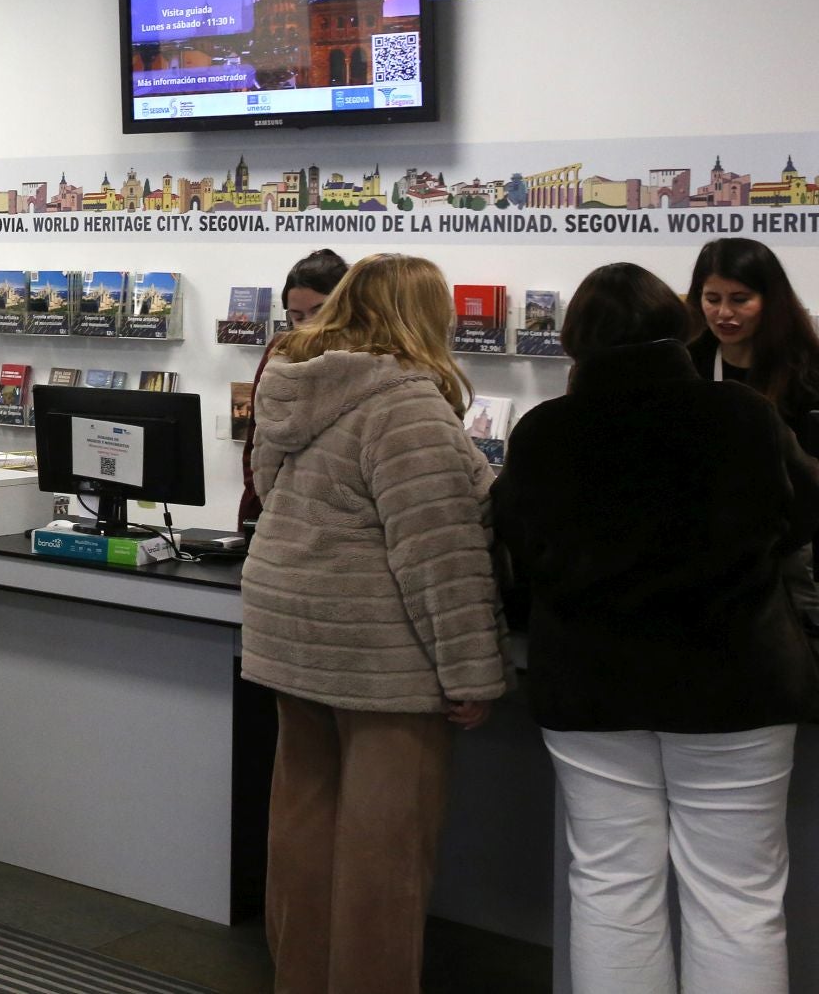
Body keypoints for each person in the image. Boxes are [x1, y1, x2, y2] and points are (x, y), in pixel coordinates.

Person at [493, 262, 819, 994]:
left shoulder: (545, 432)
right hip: (738, 682)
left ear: (576, 339)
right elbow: (801, 515)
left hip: (591, 687)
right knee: (737, 897)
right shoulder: (741, 414)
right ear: (679, 325)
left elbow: (515, 541)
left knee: (612, 886)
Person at [242, 252, 506, 994]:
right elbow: (440, 556)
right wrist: (471, 673)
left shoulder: (293, 384)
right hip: (379, 655)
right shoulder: (408, 404)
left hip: (291, 635)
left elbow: (267, 486)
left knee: (302, 829)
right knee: (384, 857)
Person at [239, 249, 349, 531]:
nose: (309, 325)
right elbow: (256, 436)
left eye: (319, 312)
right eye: (297, 317)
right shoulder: (280, 351)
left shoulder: (365, 360)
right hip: (273, 509)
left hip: (336, 519)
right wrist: (261, 498)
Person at [686, 237, 819, 455]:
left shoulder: (806, 373)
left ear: (771, 300)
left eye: (739, 299)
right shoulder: (687, 363)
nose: (724, 313)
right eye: (712, 299)